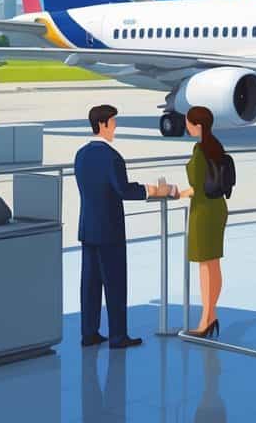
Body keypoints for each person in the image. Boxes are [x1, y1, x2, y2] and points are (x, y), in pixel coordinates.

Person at [75, 104, 168, 349]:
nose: (115, 126)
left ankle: (89, 333)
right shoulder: (112, 157)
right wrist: (152, 190)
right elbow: (123, 190)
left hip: (88, 228)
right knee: (115, 284)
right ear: (103, 124)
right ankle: (117, 335)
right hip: (109, 231)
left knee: (90, 285)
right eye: (113, 122)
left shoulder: (81, 155)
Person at [178, 107, 229, 338]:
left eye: (188, 123)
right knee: (213, 263)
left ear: (197, 125)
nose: (187, 126)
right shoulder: (216, 147)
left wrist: (177, 193)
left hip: (203, 210)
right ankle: (212, 315)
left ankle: (204, 321)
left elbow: (197, 186)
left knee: (205, 267)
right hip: (217, 208)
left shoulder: (200, 150)